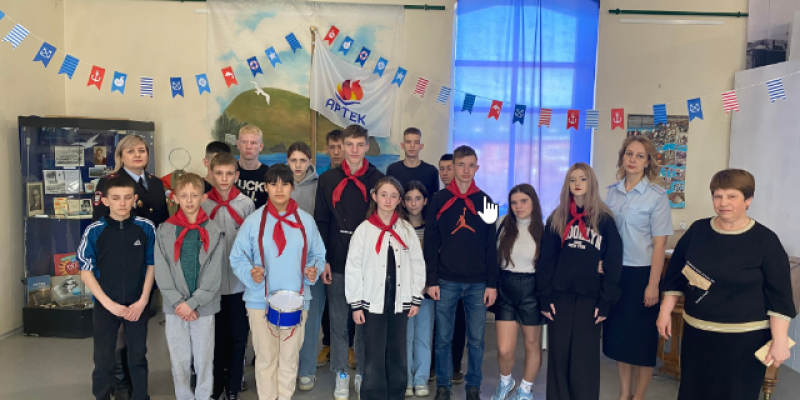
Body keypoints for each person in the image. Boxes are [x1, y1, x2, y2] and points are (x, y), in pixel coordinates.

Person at [657, 169, 797, 400]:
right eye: (718, 196)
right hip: (697, 336)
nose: (723, 203)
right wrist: (665, 311)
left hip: (744, 342)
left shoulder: (765, 240)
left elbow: (779, 295)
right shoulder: (698, 231)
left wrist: (780, 340)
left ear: (748, 199)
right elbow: (676, 273)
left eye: (732, 196)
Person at [230, 164, 326, 400]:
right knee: (265, 359)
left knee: (289, 359)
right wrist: (250, 273)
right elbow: (237, 257)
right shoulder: (253, 222)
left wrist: (313, 271)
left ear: (292, 187)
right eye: (273, 184)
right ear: (266, 187)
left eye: (285, 184)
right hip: (259, 301)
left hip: (297, 300)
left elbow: (318, 255)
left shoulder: (306, 222)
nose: (279, 189)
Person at [537, 162, 622, 400]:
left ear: (591, 182)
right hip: (560, 297)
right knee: (559, 356)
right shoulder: (557, 217)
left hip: (590, 298)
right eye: (572, 179)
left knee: (584, 359)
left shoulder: (604, 219)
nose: (577, 184)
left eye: (583, 179)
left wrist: (606, 301)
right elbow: (546, 260)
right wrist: (544, 296)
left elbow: (613, 261)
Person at [91, 134, 168, 399]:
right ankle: (120, 379)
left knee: (137, 321)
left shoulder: (156, 183)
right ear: (120, 156)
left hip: (146, 260)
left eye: (142, 150)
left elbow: (162, 222)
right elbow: (100, 223)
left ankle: (134, 378)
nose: (137, 155)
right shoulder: (108, 182)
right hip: (117, 260)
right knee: (118, 326)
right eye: (131, 151)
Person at [315, 124, 384, 400]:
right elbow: (321, 220)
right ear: (342, 146)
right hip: (337, 261)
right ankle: (341, 374)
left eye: (359, 145)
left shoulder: (378, 179)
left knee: (364, 324)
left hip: (368, 265)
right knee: (338, 321)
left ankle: (363, 374)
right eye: (349, 145)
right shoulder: (328, 179)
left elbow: (383, 222)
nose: (354, 150)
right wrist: (323, 259)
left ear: (366, 146)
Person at [602, 136, 673, 400]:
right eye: (629, 154)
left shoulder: (656, 196)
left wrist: (653, 284)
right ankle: (624, 394)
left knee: (642, 342)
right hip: (615, 273)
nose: (633, 159)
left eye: (640, 156)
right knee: (620, 339)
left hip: (642, 274)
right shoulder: (611, 192)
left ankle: (639, 396)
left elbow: (659, 244)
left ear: (648, 162)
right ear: (622, 157)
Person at [425, 145, 498, 400]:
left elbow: (491, 246)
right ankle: (443, 386)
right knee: (443, 338)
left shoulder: (486, 202)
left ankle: (473, 386)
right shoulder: (439, 200)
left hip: (478, 283)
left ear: (477, 168)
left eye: (471, 165)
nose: (466, 170)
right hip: (446, 280)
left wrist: (492, 283)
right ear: (453, 167)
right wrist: (431, 280)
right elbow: (431, 242)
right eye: (461, 165)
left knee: (476, 340)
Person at [346, 176, 426, 400]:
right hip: (372, 300)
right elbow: (353, 268)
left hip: (400, 298)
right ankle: (374, 395)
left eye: (393, 196)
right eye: (383, 195)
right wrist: (356, 304)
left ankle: (396, 394)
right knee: (373, 352)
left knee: (398, 351)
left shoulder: (406, 230)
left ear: (400, 200)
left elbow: (418, 264)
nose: (388, 200)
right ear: (374, 197)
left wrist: (415, 297)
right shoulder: (364, 230)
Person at [77, 176, 156, 400]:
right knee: (103, 359)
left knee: (138, 357)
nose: (122, 203)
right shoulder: (94, 231)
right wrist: (109, 305)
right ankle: (102, 395)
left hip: (137, 304)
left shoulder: (146, 228)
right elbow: (86, 272)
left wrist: (142, 301)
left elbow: (151, 265)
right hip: (106, 305)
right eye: (116, 198)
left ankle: (140, 396)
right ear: (105, 201)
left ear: (135, 199)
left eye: (127, 197)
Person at [153, 173, 224, 400]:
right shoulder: (164, 230)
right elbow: (162, 270)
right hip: (175, 307)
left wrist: (193, 303)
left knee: (204, 358)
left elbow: (213, 273)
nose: (189, 200)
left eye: (194, 195)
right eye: (184, 195)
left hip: (204, 305)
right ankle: (183, 396)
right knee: (179, 358)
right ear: (174, 198)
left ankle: (203, 396)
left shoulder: (214, 230)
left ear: (203, 197)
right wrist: (179, 302)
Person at [202, 153, 256, 400]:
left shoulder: (246, 204)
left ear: (237, 175)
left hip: (238, 285)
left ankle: (233, 386)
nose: (224, 178)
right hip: (210, 286)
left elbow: (252, 243)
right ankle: (216, 386)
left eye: (229, 174)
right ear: (211, 174)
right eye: (219, 173)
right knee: (214, 338)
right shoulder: (203, 204)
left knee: (238, 336)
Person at [489, 184, 546, 400]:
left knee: (531, 344)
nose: (518, 206)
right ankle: (506, 382)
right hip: (505, 287)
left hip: (531, 289)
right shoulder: (502, 224)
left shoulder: (543, 230)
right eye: (514, 202)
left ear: (533, 203)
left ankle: (525, 390)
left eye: (523, 201)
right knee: (504, 348)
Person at [286, 141, 326, 391]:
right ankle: (288, 369)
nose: (298, 165)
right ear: (287, 161)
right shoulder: (280, 184)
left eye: (303, 160)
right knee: (287, 319)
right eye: (294, 160)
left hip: (312, 260)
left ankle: (306, 370)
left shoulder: (320, 185)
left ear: (310, 161)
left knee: (310, 320)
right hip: (284, 262)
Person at [433, 152, 467, 384]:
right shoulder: (436, 199)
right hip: (442, 271)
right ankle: (435, 366)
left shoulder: (476, 199)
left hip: (465, 273)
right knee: (439, 323)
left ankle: (455, 366)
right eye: (442, 169)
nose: (446, 173)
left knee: (459, 322)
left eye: (449, 168)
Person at [317, 129, 348, 368]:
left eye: (340, 147)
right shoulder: (322, 177)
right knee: (329, 302)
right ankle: (328, 343)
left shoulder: (355, 177)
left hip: (349, 251)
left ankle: (350, 347)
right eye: (332, 147)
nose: (336, 152)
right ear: (326, 149)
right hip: (328, 247)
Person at [403, 180, 434, 396]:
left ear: (425, 201)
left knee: (423, 336)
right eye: (409, 199)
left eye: (418, 198)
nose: (413, 203)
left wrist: (428, 283)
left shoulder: (432, 228)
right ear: (403, 202)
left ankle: (421, 379)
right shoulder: (399, 227)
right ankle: (406, 379)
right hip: (404, 291)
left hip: (426, 291)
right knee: (406, 337)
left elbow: (435, 259)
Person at [386, 128, 439, 197]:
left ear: (421, 146)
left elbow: (434, 199)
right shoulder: (392, 169)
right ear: (402, 145)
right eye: (408, 142)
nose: (412, 146)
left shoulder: (431, 171)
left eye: (416, 142)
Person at [236, 125, 270, 209]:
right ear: (238, 144)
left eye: (253, 143)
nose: (248, 147)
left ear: (261, 147)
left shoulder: (269, 174)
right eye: (244, 142)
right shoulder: (228, 171)